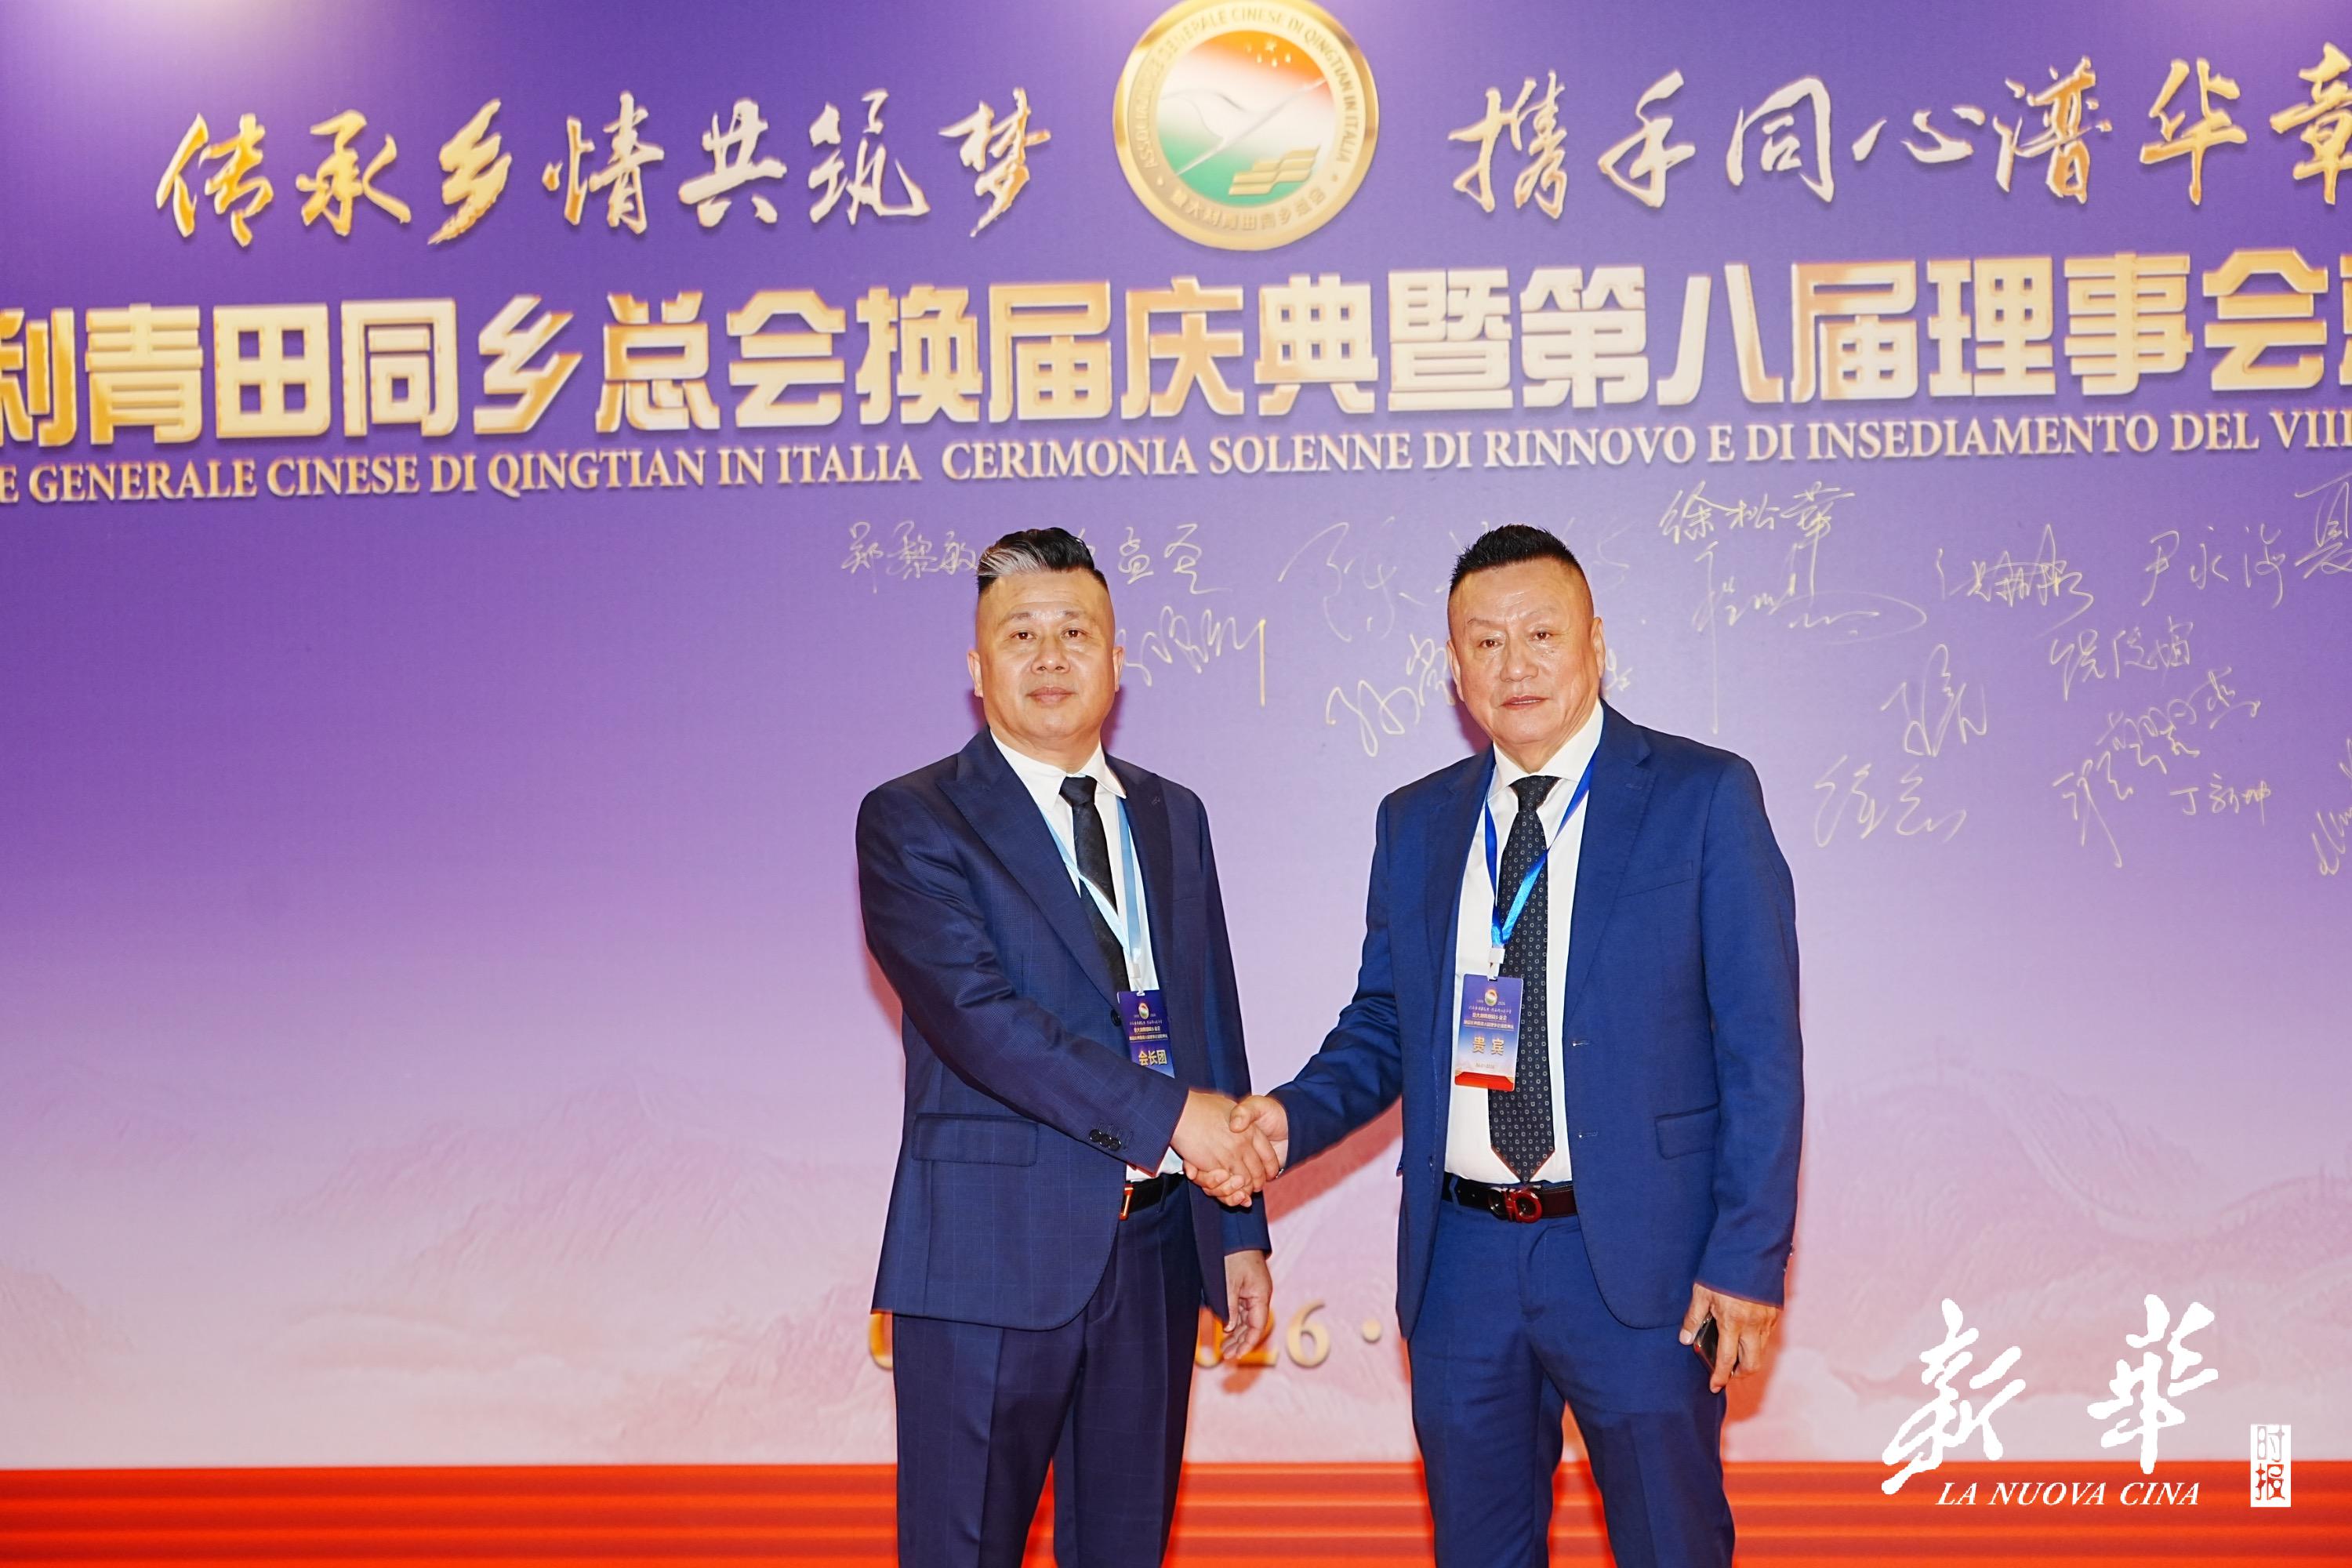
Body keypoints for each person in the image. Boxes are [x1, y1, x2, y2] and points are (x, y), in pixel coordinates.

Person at [1221, 524, 1803, 1567]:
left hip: (1643, 1266)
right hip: (1464, 1264)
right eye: (1485, 642)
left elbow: (1762, 1051)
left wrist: (1747, 1259)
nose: (1515, 664)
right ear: (1454, 670)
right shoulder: (1415, 822)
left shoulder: (1702, 796)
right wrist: (1285, 1117)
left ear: (1596, 644)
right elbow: (1387, 1023)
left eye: (1542, 633)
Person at [857, 526, 1283, 1568]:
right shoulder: (914, 819)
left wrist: (1238, 1229)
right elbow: (984, 1023)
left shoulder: (1173, 814)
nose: (1050, 657)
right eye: (1021, 634)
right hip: (987, 1261)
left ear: (1117, 660)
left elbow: (1208, 1018)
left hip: (1154, 1253)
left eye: (1075, 632)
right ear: (977, 668)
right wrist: (1175, 1119)